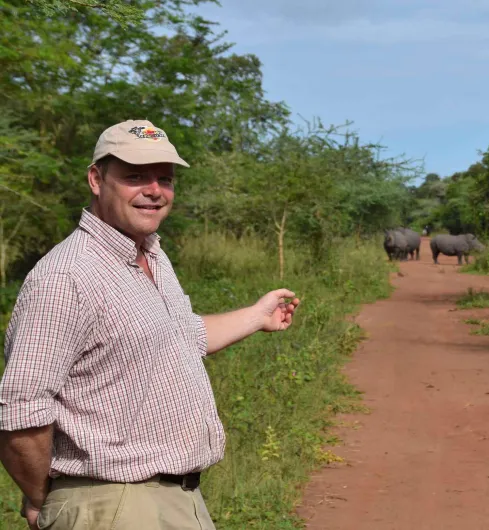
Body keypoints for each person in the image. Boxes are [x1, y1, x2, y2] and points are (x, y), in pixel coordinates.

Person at [0, 119, 301, 530]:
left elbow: (180, 338)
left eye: (165, 178)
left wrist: (256, 316)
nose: (155, 190)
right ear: (96, 179)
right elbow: (22, 411)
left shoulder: (152, 256)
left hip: (178, 499)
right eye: (135, 176)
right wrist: (43, 501)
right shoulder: (66, 278)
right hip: (110, 505)